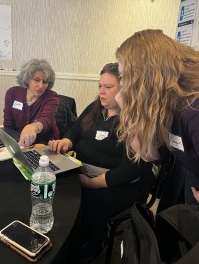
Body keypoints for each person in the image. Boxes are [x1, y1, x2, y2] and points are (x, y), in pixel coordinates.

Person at [49, 62, 157, 264]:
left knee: (86, 203)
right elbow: (75, 130)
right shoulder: (96, 108)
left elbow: (128, 171)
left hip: (122, 184)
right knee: (60, 191)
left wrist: (90, 183)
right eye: (100, 86)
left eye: (108, 87)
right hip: (86, 171)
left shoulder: (133, 120)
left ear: (125, 88)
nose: (102, 92)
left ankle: (92, 247)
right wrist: (65, 141)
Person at [115, 29, 199, 208]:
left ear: (145, 77)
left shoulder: (193, 110)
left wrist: (128, 110)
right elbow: (148, 154)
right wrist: (129, 112)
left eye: (124, 77)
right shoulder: (166, 101)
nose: (121, 84)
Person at [3, 59, 59, 147]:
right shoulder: (12, 93)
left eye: (45, 82)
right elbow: (8, 125)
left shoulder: (52, 97)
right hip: (19, 141)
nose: (41, 86)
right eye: (36, 80)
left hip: (44, 143)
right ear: (27, 79)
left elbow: (46, 119)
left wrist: (34, 127)